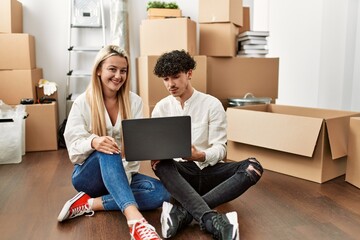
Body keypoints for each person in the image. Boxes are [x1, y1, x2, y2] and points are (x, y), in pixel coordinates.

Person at [57, 45, 170, 240]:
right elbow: (73, 152)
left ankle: (89, 204)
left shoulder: (134, 102)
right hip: (88, 177)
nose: (118, 76)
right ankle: (135, 221)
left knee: (162, 194)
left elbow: (137, 147)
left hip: (123, 174)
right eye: (112, 69)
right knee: (107, 146)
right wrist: (94, 142)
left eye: (123, 71)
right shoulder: (82, 102)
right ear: (99, 70)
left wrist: (154, 151)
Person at [150, 50, 263, 240]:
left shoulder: (212, 104)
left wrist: (199, 155)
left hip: (211, 171)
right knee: (159, 162)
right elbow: (157, 148)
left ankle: (184, 214)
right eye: (166, 79)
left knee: (253, 167)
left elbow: (221, 148)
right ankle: (211, 219)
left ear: (189, 74)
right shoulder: (162, 108)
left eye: (176, 77)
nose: (171, 84)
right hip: (182, 176)